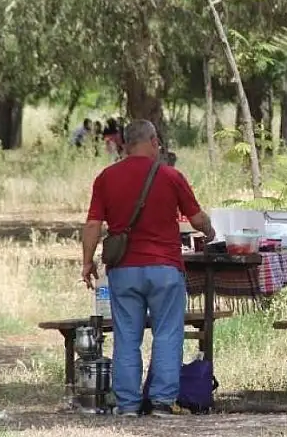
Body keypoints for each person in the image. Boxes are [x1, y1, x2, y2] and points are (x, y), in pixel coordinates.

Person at [81, 120, 216, 417]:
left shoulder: (106, 177)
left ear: (126, 144)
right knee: (168, 333)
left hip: (124, 271)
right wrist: (210, 231)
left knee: (127, 335)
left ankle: (128, 404)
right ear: (154, 141)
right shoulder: (171, 176)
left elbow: (93, 224)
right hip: (165, 269)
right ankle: (160, 402)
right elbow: (196, 219)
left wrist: (87, 261)